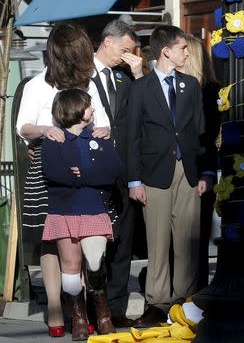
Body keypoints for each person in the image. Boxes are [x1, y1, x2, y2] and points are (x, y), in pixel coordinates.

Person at [15, 23, 110, 338]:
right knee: (51, 237)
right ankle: (57, 309)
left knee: (82, 237)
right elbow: (23, 126)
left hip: (84, 166)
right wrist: (45, 131)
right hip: (46, 167)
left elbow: (104, 122)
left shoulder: (89, 83)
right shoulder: (36, 85)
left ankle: (81, 307)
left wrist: (101, 133)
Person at [127, 25, 212, 327]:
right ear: (166, 51)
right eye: (183, 48)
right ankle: (157, 303)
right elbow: (132, 136)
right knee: (158, 242)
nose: (187, 53)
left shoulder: (191, 85)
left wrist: (206, 171)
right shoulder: (140, 88)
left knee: (187, 241)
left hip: (187, 171)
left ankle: (185, 302)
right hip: (154, 174)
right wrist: (134, 181)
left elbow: (200, 132)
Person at [41, 89, 122, 340]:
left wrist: (83, 174)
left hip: (94, 209)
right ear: (75, 109)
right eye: (89, 106)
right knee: (70, 266)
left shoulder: (100, 137)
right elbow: (54, 173)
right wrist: (83, 175)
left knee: (96, 263)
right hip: (64, 211)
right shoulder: (53, 140)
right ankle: (78, 318)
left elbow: (114, 171)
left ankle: (103, 314)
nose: (94, 110)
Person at [91, 19, 144, 328]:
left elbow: (146, 107)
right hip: (91, 171)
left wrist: (138, 73)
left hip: (124, 171)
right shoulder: (81, 74)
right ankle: (93, 305)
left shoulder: (125, 78)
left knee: (123, 241)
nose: (127, 56)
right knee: (95, 243)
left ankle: (117, 306)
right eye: (124, 50)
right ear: (107, 42)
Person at [177, 34, 221, 289]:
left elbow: (207, 132)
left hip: (201, 169)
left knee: (197, 234)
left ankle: (197, 289)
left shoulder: (209, 91)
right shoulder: (177, 86)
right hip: (184, 168)